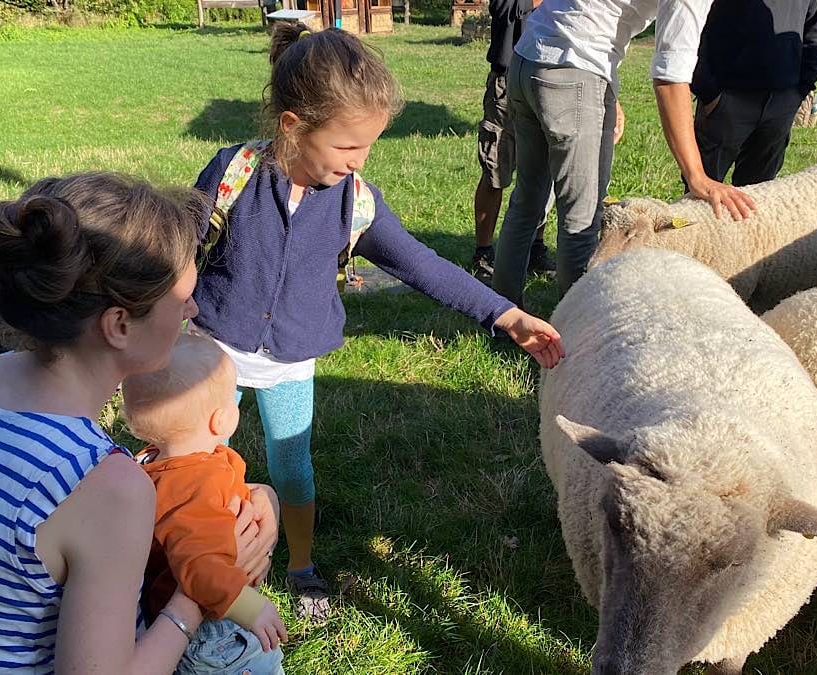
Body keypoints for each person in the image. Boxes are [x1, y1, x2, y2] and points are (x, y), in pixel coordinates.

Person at [192, 22, 565, 622]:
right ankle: (203, 563)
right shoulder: (233, 172)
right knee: (202, 466)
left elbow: (420, 264)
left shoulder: (355, 200)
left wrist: (505, 313)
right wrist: (168, 301)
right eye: (346, 147)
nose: (358, 162)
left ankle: (301, 566)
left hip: (290, 360)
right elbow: (176, 248)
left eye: (367, 147)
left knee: (292, 463)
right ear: (293, 126)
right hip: (211, 353)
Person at [0, 173, 278, 673]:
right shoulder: (101, 486)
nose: (194, 308)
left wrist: (255, 496)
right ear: (119, 325)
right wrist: (191, 598)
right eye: (181, 296)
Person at [492, 0, 757, 306]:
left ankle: (502, 315)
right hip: (574, 68)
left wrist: (606, 91)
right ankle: (579, 335)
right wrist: (697, 175)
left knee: (527, 201)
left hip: (528, 58)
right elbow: (670, 77)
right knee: (582, 219)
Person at [122, 333, 288, 675]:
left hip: (173, 619)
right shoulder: (199, 483)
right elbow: (198, 566)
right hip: (218, 629)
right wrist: (249, 606)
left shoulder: (150, 464)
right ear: (222, 420)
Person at [691, 0, 817, 186]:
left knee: (758, 200)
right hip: (725, 99)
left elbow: (816, 30)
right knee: (697, 198)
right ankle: (685, 217)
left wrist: (800, 89)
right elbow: (691, 21)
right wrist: (708, 91)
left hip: (781, 103)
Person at [470, 0, 554, 284]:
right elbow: (509, 9)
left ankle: (536, 246)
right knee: (496, 170)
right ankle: (483, 251)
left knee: (544, 172)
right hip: (507, 81)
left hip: (550, 79)